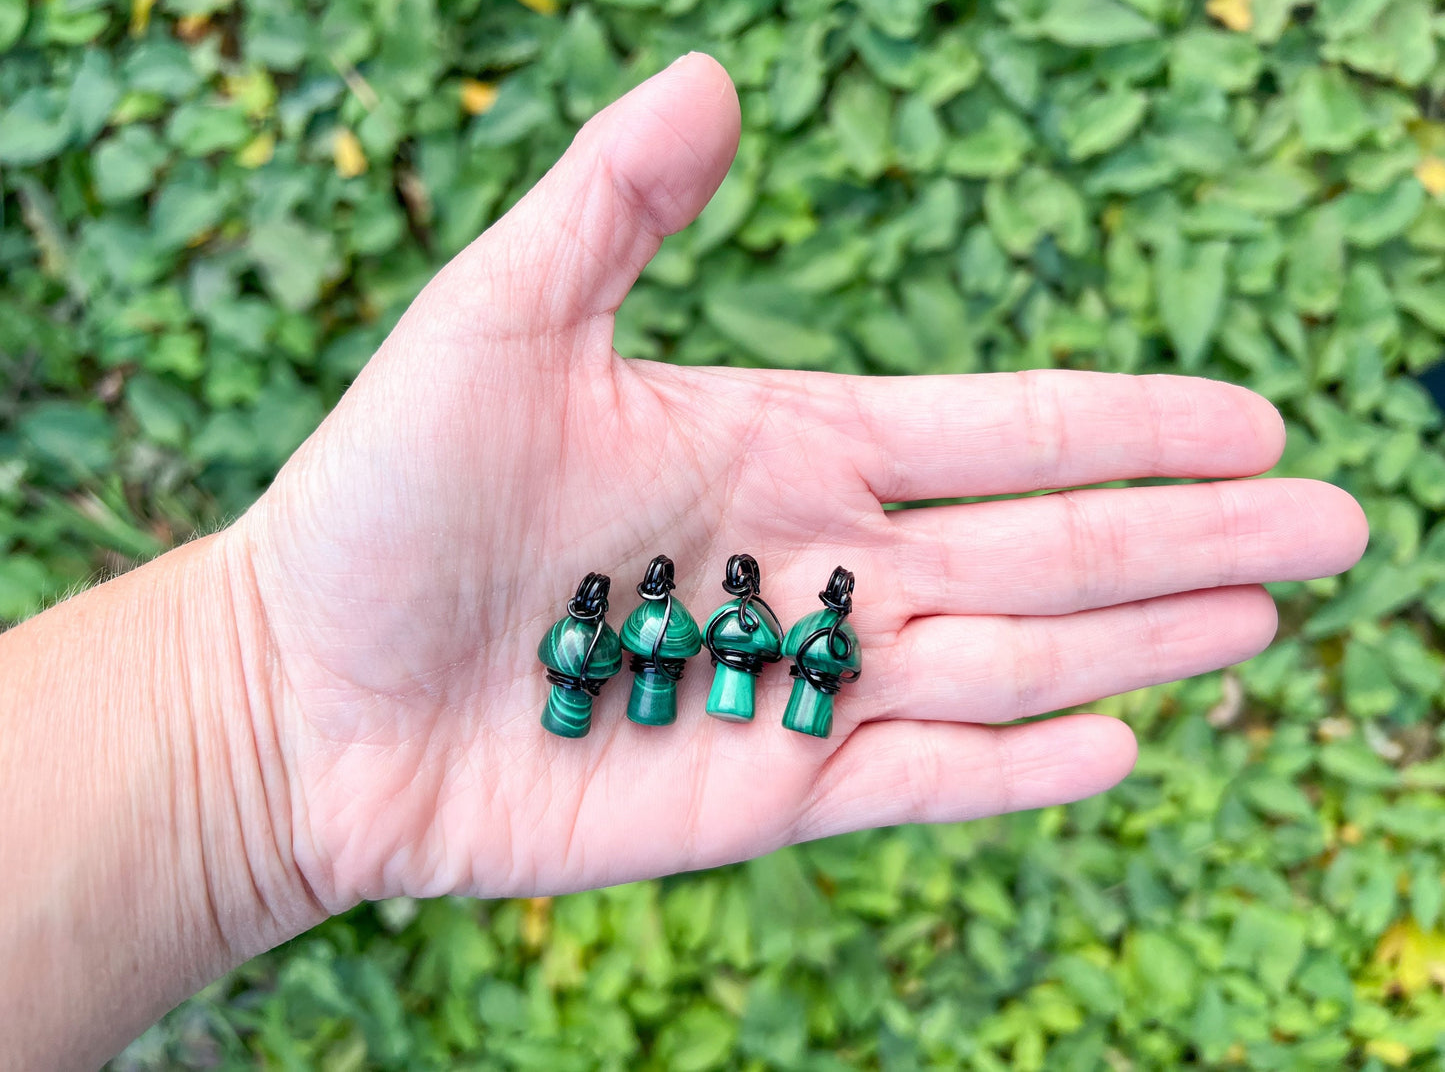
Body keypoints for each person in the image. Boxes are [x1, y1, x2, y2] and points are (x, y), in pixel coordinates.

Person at [0, 54, 1368, 1069]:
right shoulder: (617, 630)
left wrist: (782, 644)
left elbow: (760, 644)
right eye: (625, 593)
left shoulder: (747, 628)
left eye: (636, 591)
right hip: (623, 693)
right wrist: (274, 700)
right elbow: (606, 648)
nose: (630, 595)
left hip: (698, 685)